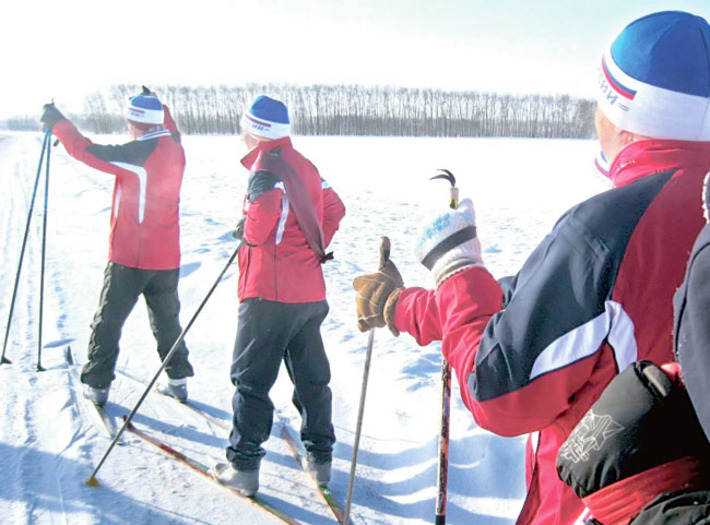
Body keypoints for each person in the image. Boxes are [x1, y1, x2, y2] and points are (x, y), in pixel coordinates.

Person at [352, 10, 710, 525]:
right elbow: (530, 311)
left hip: (602, 508)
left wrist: (454, 267)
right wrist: (404, 308)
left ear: (616, 110)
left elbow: (498, 389)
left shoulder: (606, 232)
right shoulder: (685, 214)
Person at [212, 95, 346, 497]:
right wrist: (310, 246)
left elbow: (261, 223)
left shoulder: (265, 168)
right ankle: (320, 460)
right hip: (308, 292)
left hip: (269, 295)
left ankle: (244, 467)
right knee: (311, 378)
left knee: (252, 381)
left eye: (244, 127)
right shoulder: (304, 164)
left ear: (255, 132)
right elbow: (335, 208)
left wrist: (249, 228)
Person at [40, 87, 194, 406]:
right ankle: (178, 380)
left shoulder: (137, 154)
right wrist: (156, 104)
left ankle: (97, 385)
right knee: (167, 321)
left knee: (108, 320)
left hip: (131, 259)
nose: (126, 127)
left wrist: (58, 124)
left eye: (129, 121)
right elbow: (171, 128)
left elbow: (87, 151)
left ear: (137, 124)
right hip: (166, 259)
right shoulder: (175, 146)